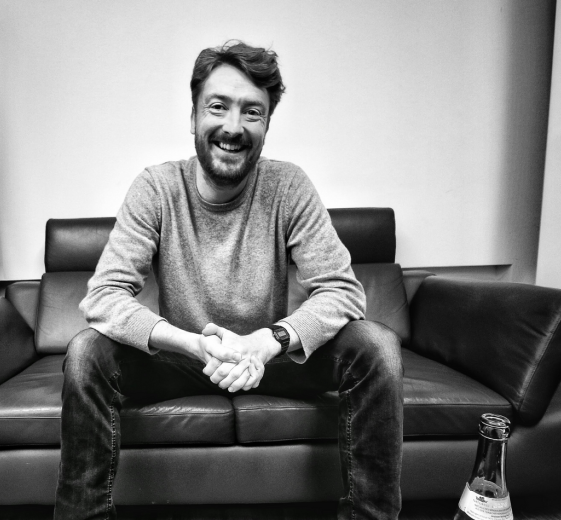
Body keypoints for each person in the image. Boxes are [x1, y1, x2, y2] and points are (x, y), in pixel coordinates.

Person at [54, 40, 403, 520]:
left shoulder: (289, 186)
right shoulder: (156, 188)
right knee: (86, 352)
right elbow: (104, 297)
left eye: (252, 112)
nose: (233, 127)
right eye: (218, 106)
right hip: (184, 358)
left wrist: (266, 343)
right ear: (193, 116)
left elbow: (342, 291)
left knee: (377, 345)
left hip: (269, 359)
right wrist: (194, 345)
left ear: (267, 126)